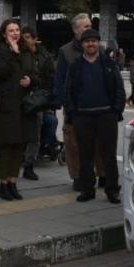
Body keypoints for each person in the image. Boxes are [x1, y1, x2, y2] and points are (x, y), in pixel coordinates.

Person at [64, 28, 125, 203]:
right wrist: (73, 113)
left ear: (99, 43)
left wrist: (116, 110)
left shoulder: (109, 64)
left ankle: (112, 190)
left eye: (94, 41)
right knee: (85, 155)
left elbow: (119, 89)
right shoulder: (75, 66)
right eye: (87, 41)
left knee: (109, 156)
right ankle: (87, 189)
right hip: (82, 117)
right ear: (82, 44)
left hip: (107, 116)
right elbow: (68, 90)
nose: (90, 44)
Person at [53, 13, 104, 190]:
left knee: (98, 142)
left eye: (90, 25)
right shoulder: (65, 51)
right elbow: (59, 81)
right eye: (84, 26)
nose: (89, 28)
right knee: (73, 144)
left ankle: (103, 174)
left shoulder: (99, 49)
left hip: (97, 105)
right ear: (75, 30)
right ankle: (77, 176)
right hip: (74, 106)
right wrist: (66, 104)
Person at [0, 18, 38, 201]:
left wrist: (30, 81)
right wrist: (13, 53)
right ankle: (3, 184)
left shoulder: (27, 51)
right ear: (4, 34)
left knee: (19, 145)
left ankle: (13, 182)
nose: (15, 33)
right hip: (6, 104)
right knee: (7, 145)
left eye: (17, 30)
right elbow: (0, 73)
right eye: (11, 30)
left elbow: (34, 74)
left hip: (23, 105)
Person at [21, 27, 55, 179]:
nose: (25, 40)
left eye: (28, 37)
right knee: (17, 131)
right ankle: (11, 163)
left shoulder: (44, 55)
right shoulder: (19, 53)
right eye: (24, 37)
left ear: (35, 39)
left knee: (35, 131)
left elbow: (50, 77)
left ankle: (29, 164)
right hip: (20, 96)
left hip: (37, 98)